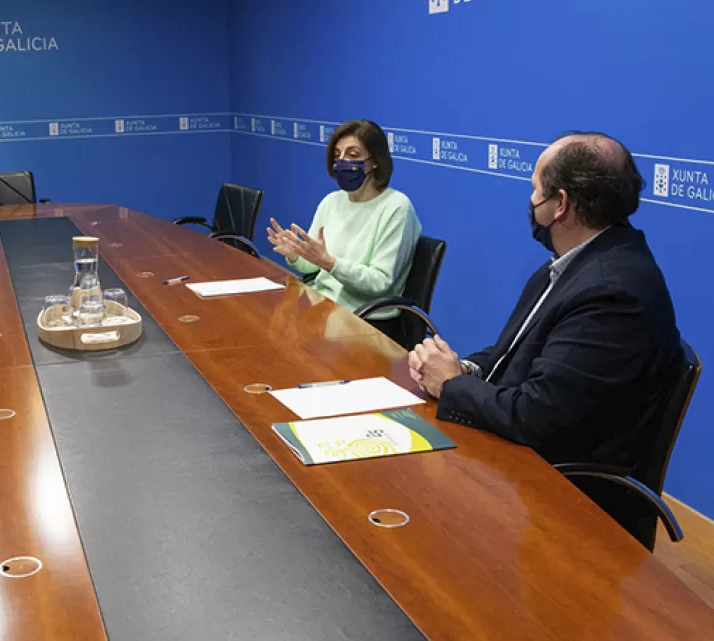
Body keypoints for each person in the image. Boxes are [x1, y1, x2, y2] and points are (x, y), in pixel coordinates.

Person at [408, 132, 682, 532]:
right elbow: (513, 351)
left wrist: (451, 385)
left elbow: (536, 418)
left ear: (561, 204)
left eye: (536, 190)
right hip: (524, 467)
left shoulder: (612, 292)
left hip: (568, 503)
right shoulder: (573, 264)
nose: (531, 199)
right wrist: (463, 368)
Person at [267, 119, 422, 343]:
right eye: (337, 155)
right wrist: (295, 254)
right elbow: (312, 266)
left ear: (374, 161)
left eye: (353, 154)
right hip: (323, 307)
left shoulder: (396, 207)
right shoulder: (331, 201)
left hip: (366, 319)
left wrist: (331, 263)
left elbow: (379, 282)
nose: (342, 162)